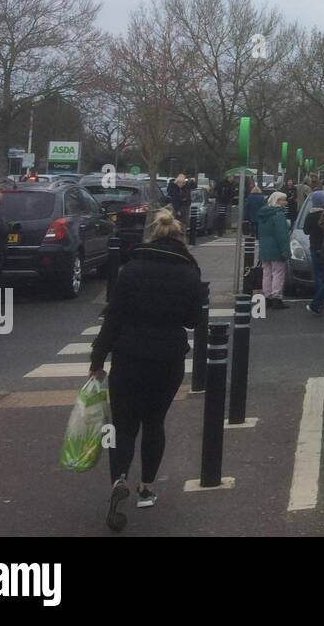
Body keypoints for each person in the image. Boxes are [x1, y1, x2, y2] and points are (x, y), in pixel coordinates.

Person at [89, 207, 204, 531]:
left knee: (123, 425)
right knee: (154, 422)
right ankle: (148, 487)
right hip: (167, 357)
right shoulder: (189, 272)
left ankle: (119, 478)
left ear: (151, 234)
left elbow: (113, 316)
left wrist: (97, 359)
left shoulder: (132, 268)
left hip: (129, 353)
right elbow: (192, 320)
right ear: (179, 236)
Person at [256, 191, 292, 308]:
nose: (285, 202)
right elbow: (282, 235)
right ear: (277, 201)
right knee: (278, 273)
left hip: (264, 248)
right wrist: (285, 251)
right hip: (276, 248)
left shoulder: (263, 214)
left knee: (266, 273)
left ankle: (267, 297)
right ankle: (276, 297)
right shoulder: (279, 215)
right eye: (283, 200)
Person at [303, 190, 324, 304]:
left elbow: (306, 231)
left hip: (314, 246)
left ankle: (318, 295)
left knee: (317, 272)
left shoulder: (310, 215)